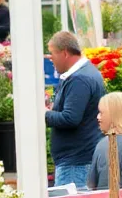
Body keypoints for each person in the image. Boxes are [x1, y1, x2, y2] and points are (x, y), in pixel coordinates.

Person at [45, 31, 106, 188]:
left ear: (64, 53)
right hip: (78, 159)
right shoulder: (84, 73)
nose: (49, 58)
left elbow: (70, 118)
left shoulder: (79, 79)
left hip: (75, 163)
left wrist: (43, 115)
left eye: (52, 53)